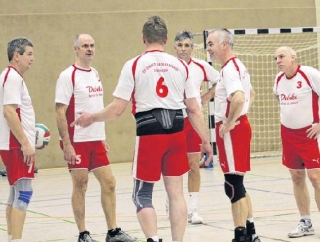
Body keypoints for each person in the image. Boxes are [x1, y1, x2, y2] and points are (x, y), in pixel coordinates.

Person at [71, 16, 213, 242]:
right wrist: (206, 141)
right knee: (176, 193)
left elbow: (117, 109)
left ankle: (154, 238)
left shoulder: (134, 64)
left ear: (143, 38)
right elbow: (194, 109)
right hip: (177, 131)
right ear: (166, 39)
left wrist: (91, 118)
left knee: (142, 195)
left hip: (150, 132)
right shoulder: (180, 65)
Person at [55, 34, 137, 242]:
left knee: (109, 182)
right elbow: (59, 111)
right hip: (76, 140)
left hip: (95, 138)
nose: (89, 49)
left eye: (92, 45)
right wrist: (67, 144)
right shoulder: (68, 76)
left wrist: (101, 137)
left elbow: (96, 108)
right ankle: (83, 234)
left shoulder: (95, 73)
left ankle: (113, 232)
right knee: (81, 185)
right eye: (84, 46)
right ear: (76, 49)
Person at [206, 28, 260, 242]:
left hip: (232, 130)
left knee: (232, 184)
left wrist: (229, 123)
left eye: (211, 43)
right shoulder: (237, 66)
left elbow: (238, 97)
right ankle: (250, 231)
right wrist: (240, 116)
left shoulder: (230, 69)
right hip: (239, 126)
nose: (208, 48)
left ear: (224, 45)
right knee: (237, 183)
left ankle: (241, 236)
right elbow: (250, 94)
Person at [166, 30, 219, 224]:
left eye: (187, 45)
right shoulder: (167, 65)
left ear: (192, 48)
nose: (183, 49)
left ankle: (193, 210)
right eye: (180, 45)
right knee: (173, 166)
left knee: (193, 166)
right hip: (172, 120)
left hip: (193, 122)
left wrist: (205, 98)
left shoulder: (201, 66)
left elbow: (219, 81)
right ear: (174, 46)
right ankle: (171, 202)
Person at [273, 46, 320, 238]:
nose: (278, 60)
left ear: (293, 56)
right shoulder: (278, 80)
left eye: (281, 56)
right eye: (275, 58)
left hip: (310, 134)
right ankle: (306, 222)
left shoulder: (309, 74)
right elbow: (279, 98)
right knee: (297, 177)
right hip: (289, 135)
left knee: (316, 178)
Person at [0, 37, 36, 242]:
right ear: (16, 56)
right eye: (29, 54)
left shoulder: (9, 76)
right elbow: (9, 112)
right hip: (15, 145)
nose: (32, 58)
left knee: (15, 194)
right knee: (24, 194)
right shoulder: (13, 77)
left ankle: (12, 238)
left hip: (13, 144)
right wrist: (25, 143)